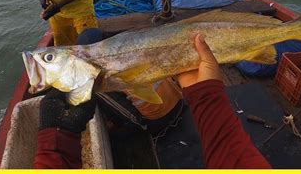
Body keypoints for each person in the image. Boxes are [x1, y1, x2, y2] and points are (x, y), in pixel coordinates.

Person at [33, 33, 271, 169]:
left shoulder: (100, 78)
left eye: (49, 57)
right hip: (185, 104)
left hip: (156, 121)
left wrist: (54, 145)